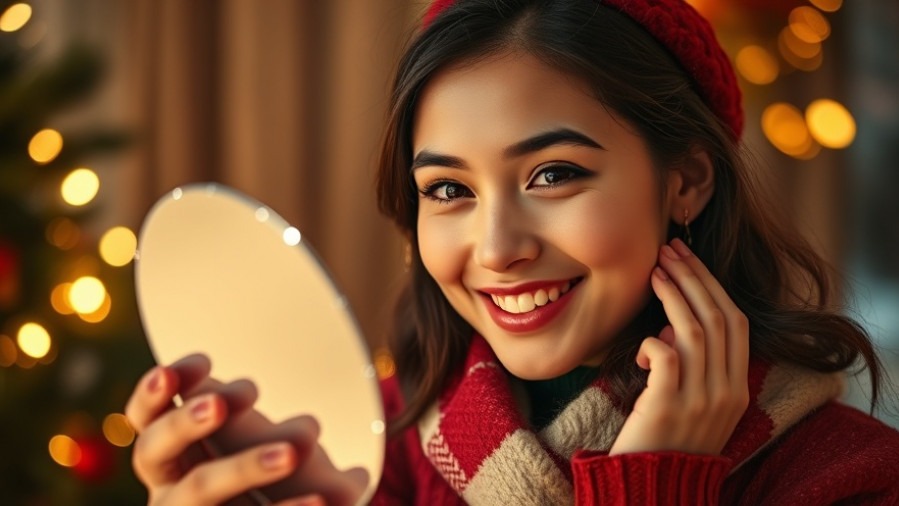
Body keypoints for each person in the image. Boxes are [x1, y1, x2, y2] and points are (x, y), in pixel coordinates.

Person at [125, 0, 899, 504]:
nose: (495, 249)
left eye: (553, 175)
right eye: (448, 190)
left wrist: (652, 485)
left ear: (685, 181)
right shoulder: (383, 444)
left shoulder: (846, 477)